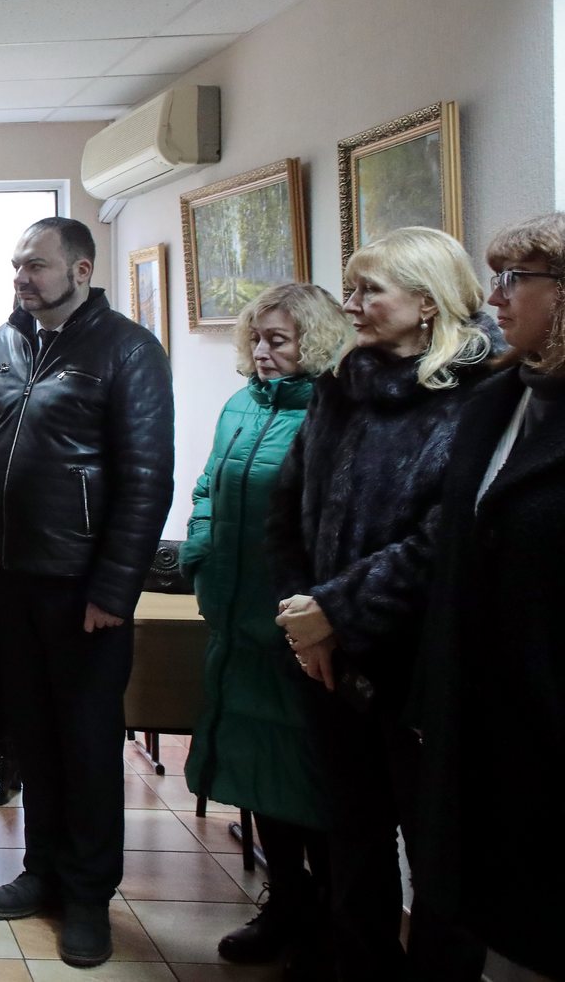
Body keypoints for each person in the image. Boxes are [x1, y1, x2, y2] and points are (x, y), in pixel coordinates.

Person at [0, 216, 174, 968]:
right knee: (31, 735)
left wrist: (115, 587)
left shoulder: (128, 350)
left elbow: (147, 479)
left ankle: (88, 896)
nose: (21, 277)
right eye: (16, 265)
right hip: (8, 578)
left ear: (80, 271)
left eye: (36, 265)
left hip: (82, 588)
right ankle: (41, 871)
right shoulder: (3, 343)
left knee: (86, 743)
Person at [267, 226, 494, 981]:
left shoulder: (482, 395)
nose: (352, 304)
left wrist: (336, 610)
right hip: (329, 662)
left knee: (440, 860)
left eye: (370, 291)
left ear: (427, 303)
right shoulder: (342, 384)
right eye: (353, 288)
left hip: (422, 666)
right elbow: (286, 509)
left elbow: (448, 539)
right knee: (353, 842)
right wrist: (306, 622)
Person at [180, 285, 352, 970]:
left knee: (311, 780)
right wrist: (200, 553)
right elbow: (207, 489)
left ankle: (332, 923)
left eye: (278, 340)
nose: (261, 351)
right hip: (236, 622)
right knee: (260, 777)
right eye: (256, 337)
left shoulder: (335, 409)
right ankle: (286, 905)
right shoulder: (240, 406)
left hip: (298, 629)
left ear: (314, 340)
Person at [413, 213, 565, 980]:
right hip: (476, 708)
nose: (493, 296)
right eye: (493, 277)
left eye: (514, 279)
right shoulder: (497, 398)